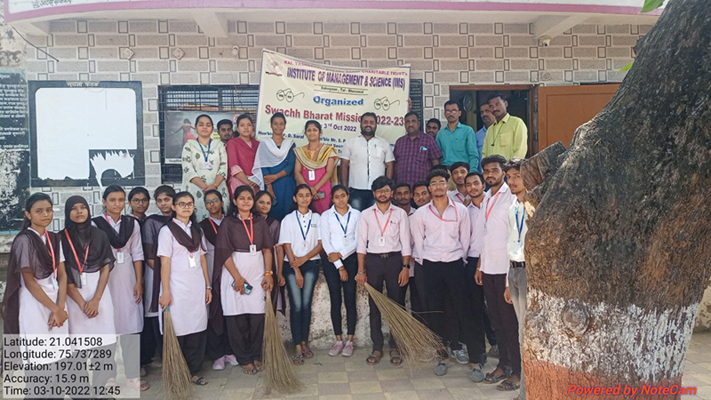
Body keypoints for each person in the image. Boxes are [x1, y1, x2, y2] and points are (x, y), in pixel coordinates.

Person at [410, 169, 486, 381]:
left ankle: (475, 360)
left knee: (465, 310)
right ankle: (442, 356)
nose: (438, 186)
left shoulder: (460, 210)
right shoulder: (421, 214)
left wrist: (458, 259)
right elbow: (419, 242)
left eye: (441, 182)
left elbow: (465, 239)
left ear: (447, 185)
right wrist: (428, 261)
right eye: (434, 183)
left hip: (455, 265)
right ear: (429, 188)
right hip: (431, 266)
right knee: (436, 311)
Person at [2, 193, 69, 372]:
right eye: (39, 211)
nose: (45, 214)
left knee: (58, 356)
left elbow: (62, 274)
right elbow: (29, 281)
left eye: (49, 210)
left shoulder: (54, 238)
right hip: (34, 303)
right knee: (39, 357)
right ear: (28, 214)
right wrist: (56, 309)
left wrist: (60, 306)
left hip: (57, 300)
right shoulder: (24, 240)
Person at [212, 186, 274, 375]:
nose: (246, 201)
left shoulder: (260, 222)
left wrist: (268, 273)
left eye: (249, 198)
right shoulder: (228, 223)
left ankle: (256, 354)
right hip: (234, 275)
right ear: (235, 201)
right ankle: (244, 358)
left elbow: (267, 249)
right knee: (236, 319)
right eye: (242, 198)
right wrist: (237, 278)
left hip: (257, 274)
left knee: (257, 318)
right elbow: (223, 252)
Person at [91, 185, 148, 391]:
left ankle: (132, 375)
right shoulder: (95, 224)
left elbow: (137, 253)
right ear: (104, 201)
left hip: (128, 280)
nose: (117, 204)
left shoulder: (132, 224)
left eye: (121, 200)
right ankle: (107, 377)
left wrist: (138, 281)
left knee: (131, 327)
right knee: (106, 330)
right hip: (104, 282)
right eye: (112, 200)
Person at [474, 155, 520, 391]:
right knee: (497, 322)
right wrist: (480, 266)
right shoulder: (487, 199)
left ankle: (518, 372)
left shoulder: (511, 197)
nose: (490, 174)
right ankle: (504, 364)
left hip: (506, 271)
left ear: (503, 172)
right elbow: (486, 236)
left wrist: (508, 279)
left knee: (510, 323)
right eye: (486, 171)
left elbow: (514, 238)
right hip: (489, 269)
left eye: (494, 170)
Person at [157, 192, 212, 386]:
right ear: (174, 207)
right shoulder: (167, 231)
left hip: (196, 286)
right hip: (176, 287)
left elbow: (202, 259)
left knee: (196, 327)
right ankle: (177, 371)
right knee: (178, 328)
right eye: (182, 204)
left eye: (189, 204)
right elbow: (165, 262)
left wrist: (207, 286)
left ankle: (193, 371)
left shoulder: (197, 230)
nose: (186, 207)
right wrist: (166, 291)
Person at [62, 196, 117, 388]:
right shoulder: (61, 238)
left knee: (104, 345)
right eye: (74, 208)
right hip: (73, 299)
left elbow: (105, 267)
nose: (79, 211)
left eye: (83, 207)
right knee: (77, 348)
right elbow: (63, 274)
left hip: (100, 296)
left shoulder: (100, 235)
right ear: (67, 212)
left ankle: (100, 389)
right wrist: (83, 304)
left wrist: (96, 300)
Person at [355, 176, 411, 367]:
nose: (383, 193)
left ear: (391, 193)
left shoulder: (400, 214)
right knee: (375, 305)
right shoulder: (366, 214)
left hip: (395, 260)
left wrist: (405, 267)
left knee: (397, 304)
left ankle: (396, 345)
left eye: (386, 190)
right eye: (379, 190)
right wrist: (361, 270)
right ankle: (377, 346)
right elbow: (361, 245)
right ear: (374, 193)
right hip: (373, 261)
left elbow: (406, 243)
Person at [279, 184, 323, 365]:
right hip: (292, 265)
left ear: (311, 198)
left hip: (311, 263)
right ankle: (297, 346)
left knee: (306, 305)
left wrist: (304, 259)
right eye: (301, 195)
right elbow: (286, 245)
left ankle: (304, 342)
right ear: (295, 198)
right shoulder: (288, 219)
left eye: (307, 195)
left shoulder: (317, 218)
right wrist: (296, 269)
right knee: (296, 306)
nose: (304, 198)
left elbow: (321, 244)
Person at [198, 190, 239, 371]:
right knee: (214, 312)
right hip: (212, 271)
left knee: (230, 311)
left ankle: (230, 350)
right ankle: (217, 354)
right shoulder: (202, 227)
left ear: (222, 202)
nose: (212, 204)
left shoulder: (232, 222)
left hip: (231, 271)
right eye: (208, 202)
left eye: (215, 200)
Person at [319, 185, 361, 357]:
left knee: (350, 299)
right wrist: (339, 265)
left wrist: (342, 255)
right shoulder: (326, 216)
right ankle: (338, 340)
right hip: (331, 261)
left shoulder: (357, 214)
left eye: (343, 196)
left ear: (348, 196)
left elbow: (358, 240)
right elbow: (326, 242)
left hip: (351, 259)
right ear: (332, 199)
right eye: (336, 197)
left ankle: (350, 340)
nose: (340, 200)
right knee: (335, 299)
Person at [503, 158, 529, 400]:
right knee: (522, 332)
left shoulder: (536, 206)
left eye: (517, 177)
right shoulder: (513, 207)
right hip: (514, 271)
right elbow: (510, 243)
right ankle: (525, 391)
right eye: (509, 177)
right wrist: (507, 282)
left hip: (531, 272)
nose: (512, 181)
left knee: (529, 333)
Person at [140, 185, 175, 370]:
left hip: (180, 276)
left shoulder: (181, 218)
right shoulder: (151, 222)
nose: (163, 204)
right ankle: (165, 354)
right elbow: (149, 255)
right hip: (157, 274)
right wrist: (166, 273)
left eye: (167, 200)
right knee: (159, 313)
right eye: (159, 200)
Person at [465, 171, 499, 360]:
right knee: (476, 305)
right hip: (472, 260)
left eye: (476, 183)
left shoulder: (493, 204)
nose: (472, 187)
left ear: (483, 184)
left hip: (493, 259)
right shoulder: (465, 211)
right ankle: (483, 348)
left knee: (495, 304)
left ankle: (499, 343)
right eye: (468, 185)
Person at [340, 113, 395, 211]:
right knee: (356, 218)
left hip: (378, 190)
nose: (368, 125)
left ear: (376, 125)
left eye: (371, 122)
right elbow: (344, 166)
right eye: (365, 122)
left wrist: (387, 188)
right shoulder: (350, 143)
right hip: (355, 190)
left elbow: (390, 165)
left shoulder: (384, 144)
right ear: (360, 124)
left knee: (376, 217)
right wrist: (344, 188)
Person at [181, 114, 230, 220]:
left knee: (219, 221)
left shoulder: (219, 145)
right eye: (201, 125)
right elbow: (188, 169)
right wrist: (205, 188)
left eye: (208, 125)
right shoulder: (189, 146)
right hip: (196, 189)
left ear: (212, 128)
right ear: (195, 127)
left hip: (218, 188)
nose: (204, 127)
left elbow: (223, 167)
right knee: (198, 221)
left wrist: (214, 186)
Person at [249, 112, 297, 220]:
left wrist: (276, 176)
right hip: (271, 185)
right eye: (275, 124)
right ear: (271, 125)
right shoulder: (264, 144)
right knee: (272, 212)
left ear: (285, 126)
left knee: (288, 212)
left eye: (281, 124)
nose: (278, 126)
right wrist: (269, 187)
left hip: (287, 184)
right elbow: (263, 165)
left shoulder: (290, 144)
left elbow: (291, 165)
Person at [294, 120, 338, 214]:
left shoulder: (328, 151)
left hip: (322, 189)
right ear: (305, 133)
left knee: (324, 216)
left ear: (320, 132)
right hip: (304, 191)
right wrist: (309, 190)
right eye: (309, 130)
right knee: (304, 215)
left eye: (315, 130)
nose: (312, 133)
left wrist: (315, 189)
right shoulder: (300, 152)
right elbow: (297, 172)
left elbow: (329, 172)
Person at [253, 191, 286, 314]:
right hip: (253, 262)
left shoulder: (275, 223)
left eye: (268, 203)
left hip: (271, 262)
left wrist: (280, 272)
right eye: (261, 202)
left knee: (270, 293)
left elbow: (279, 249)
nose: (264, 206)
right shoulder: (250, 222)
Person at [393, 112, 442, 188]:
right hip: (402, 188)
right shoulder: (399, 142)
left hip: (422, 187)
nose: (410, 124)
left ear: (419, 123)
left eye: (413, 121)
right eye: (408, 121)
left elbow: (436, 163)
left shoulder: (428, 140)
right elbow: (396, 164)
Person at [436, 100, 479, 172]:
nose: (451, 114)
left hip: (463, 171)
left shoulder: (467, 131)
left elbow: (473, 154)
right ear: (445, 114)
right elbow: (437, 156)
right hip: (446, 171)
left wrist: (472, 171)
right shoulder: (440, 134)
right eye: (448, 111)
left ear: (459, 113)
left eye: (454, 111)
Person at [482, 94, 528, 160]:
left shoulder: (517, 123)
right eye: (491, 106)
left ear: (505, 104)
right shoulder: (490, 129)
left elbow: (520, 149)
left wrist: (510, 166)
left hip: (510, 166)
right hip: (491, 167)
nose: (495, 108)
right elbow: (484, 153)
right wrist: (486, 166)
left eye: (497, 104)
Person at [227, 114, 260, 196]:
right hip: (239, 181)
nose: (246, 128)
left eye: (249, 125)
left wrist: (256, 180)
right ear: (238, 128)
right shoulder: (232, 143)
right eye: (242, 125)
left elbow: (262, 165)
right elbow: (234, 166)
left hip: (256, 183)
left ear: (252, 127)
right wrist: (248, 183)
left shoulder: (258, 144)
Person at [475, 104, 497, 171]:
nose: (484, 114)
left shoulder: (503, 131)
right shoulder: (477, 135)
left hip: (500, 171)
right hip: (482, 172)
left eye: (487, 111)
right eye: (482, 112)